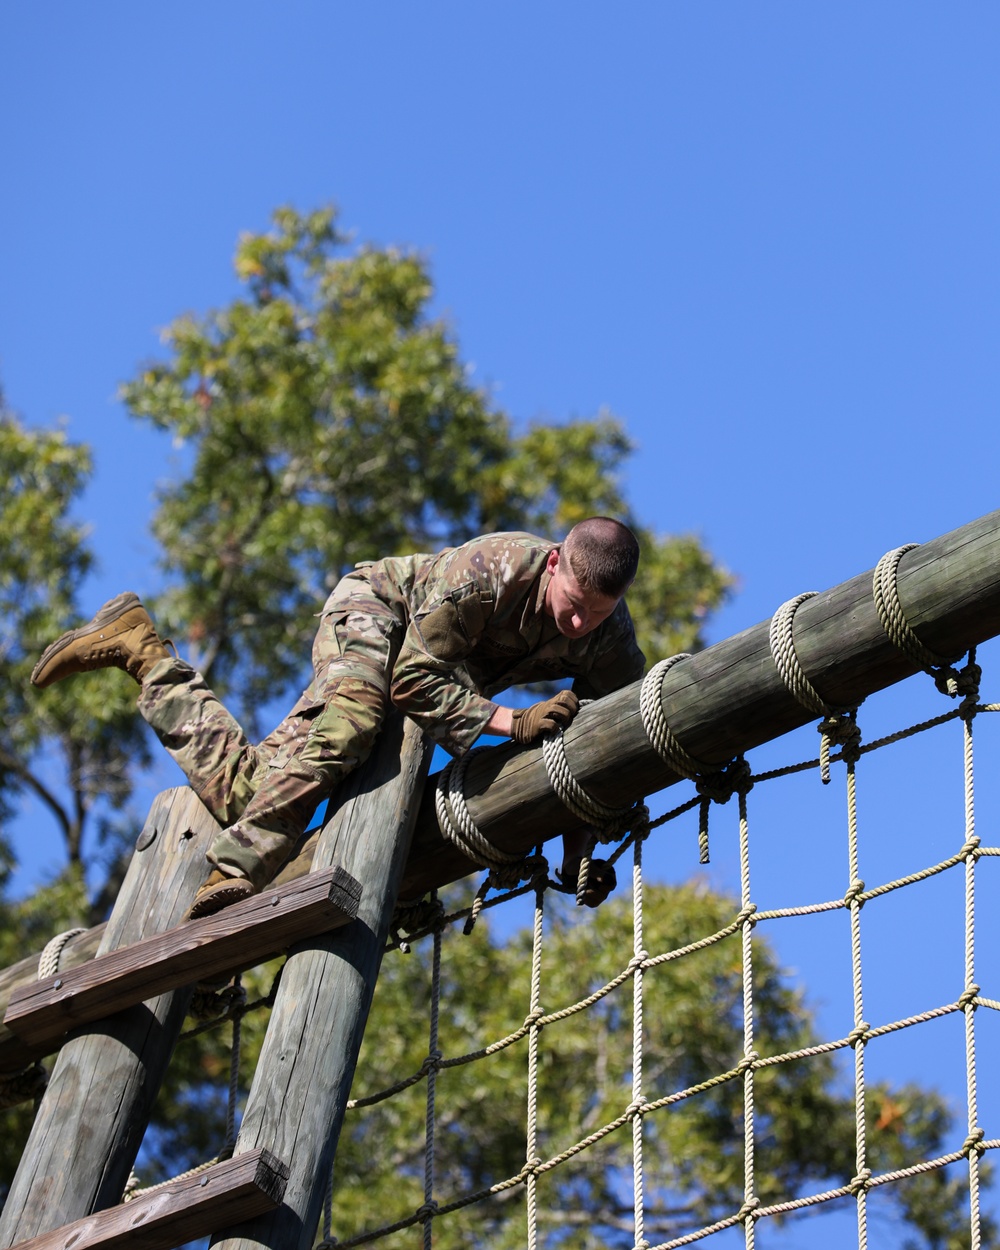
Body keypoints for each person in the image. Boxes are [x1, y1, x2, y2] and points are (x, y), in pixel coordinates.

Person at [32, 518, 645, 918]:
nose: (576, 626)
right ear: (557, 562)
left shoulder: (608, 640)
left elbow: (594, 742)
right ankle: (234, 869)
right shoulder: (488, 573)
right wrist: (511, 722)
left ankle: (140, 650)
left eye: (594, 615)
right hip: (376, 613)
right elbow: (409, 680)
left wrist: (580, 850)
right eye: (571, 608)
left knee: (250, 792)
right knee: (353, 718)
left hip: (431, 669)